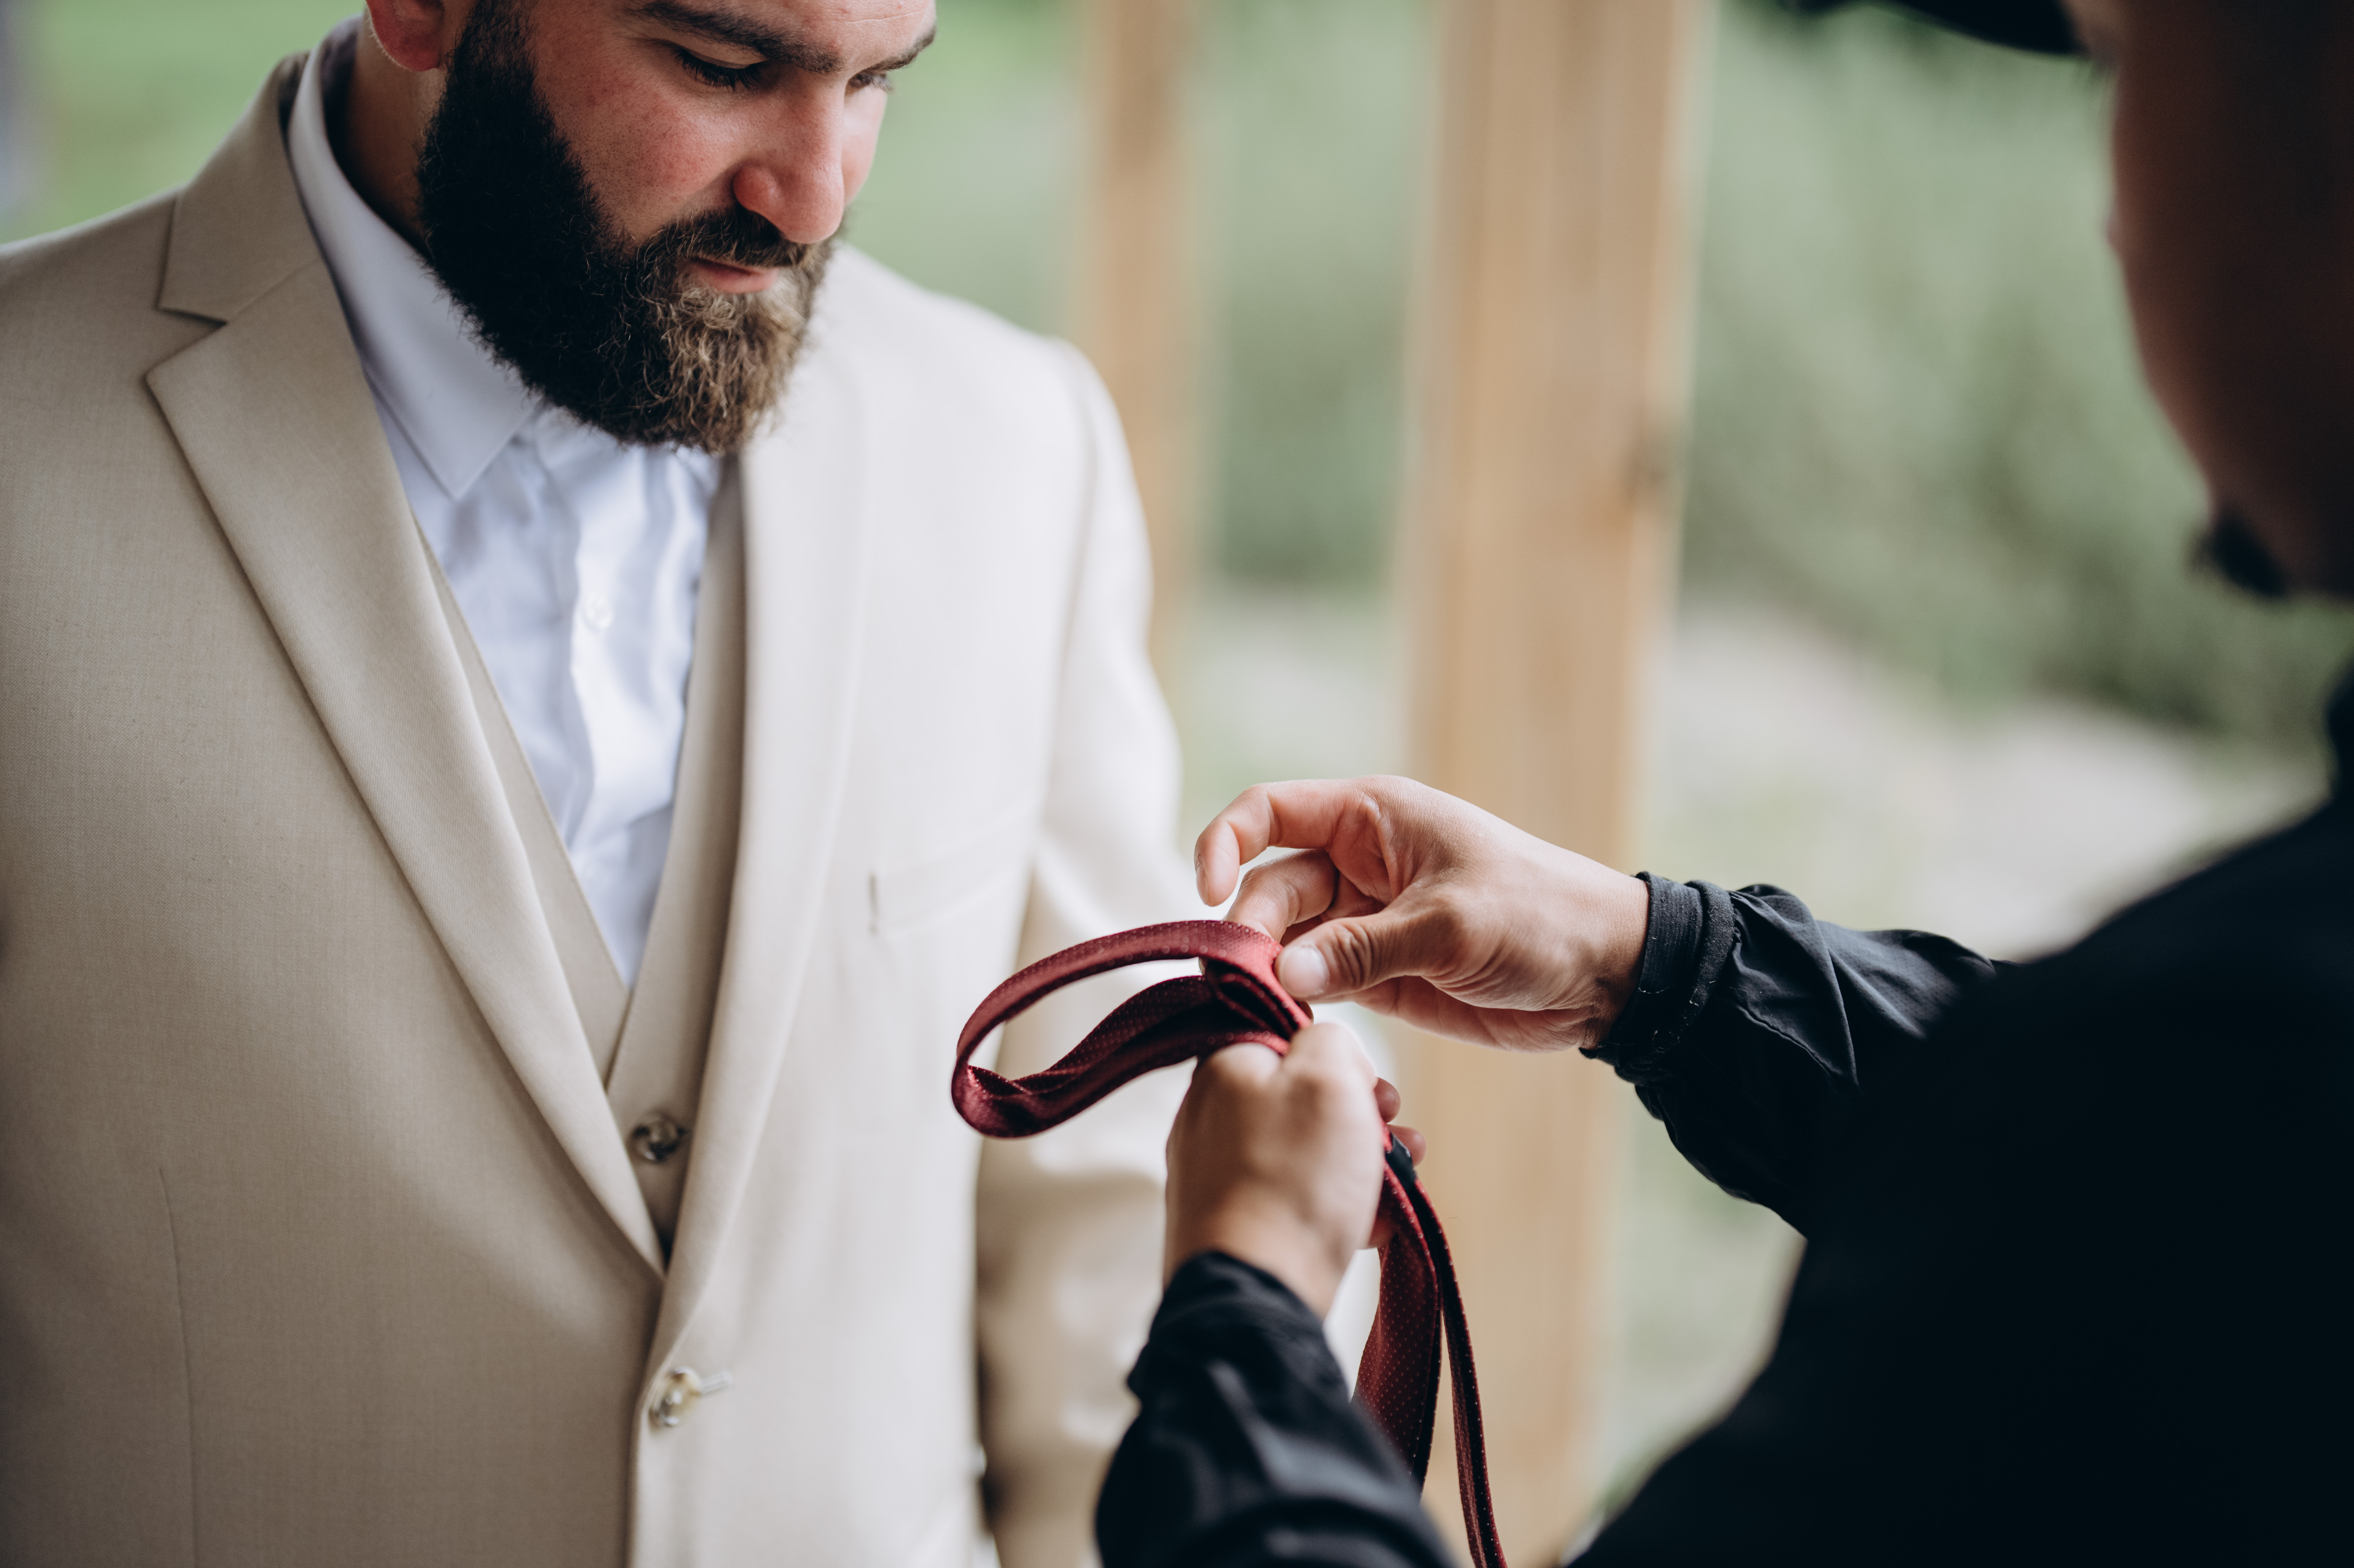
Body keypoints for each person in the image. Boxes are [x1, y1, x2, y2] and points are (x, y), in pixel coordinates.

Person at [1099, 0, 2354, 1562]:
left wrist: (1247, 1304)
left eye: (2119, 62)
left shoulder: (2217, 1066)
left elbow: (2134, 1146)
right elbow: (2148, 1178)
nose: (2111, 207)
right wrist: (1668, 968)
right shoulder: (2222, 1074)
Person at [0, 1, 1189, 1563]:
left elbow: (1099, 1247)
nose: (816, 197)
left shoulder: (1018, 445)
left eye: (874, 82)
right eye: (725, 66)